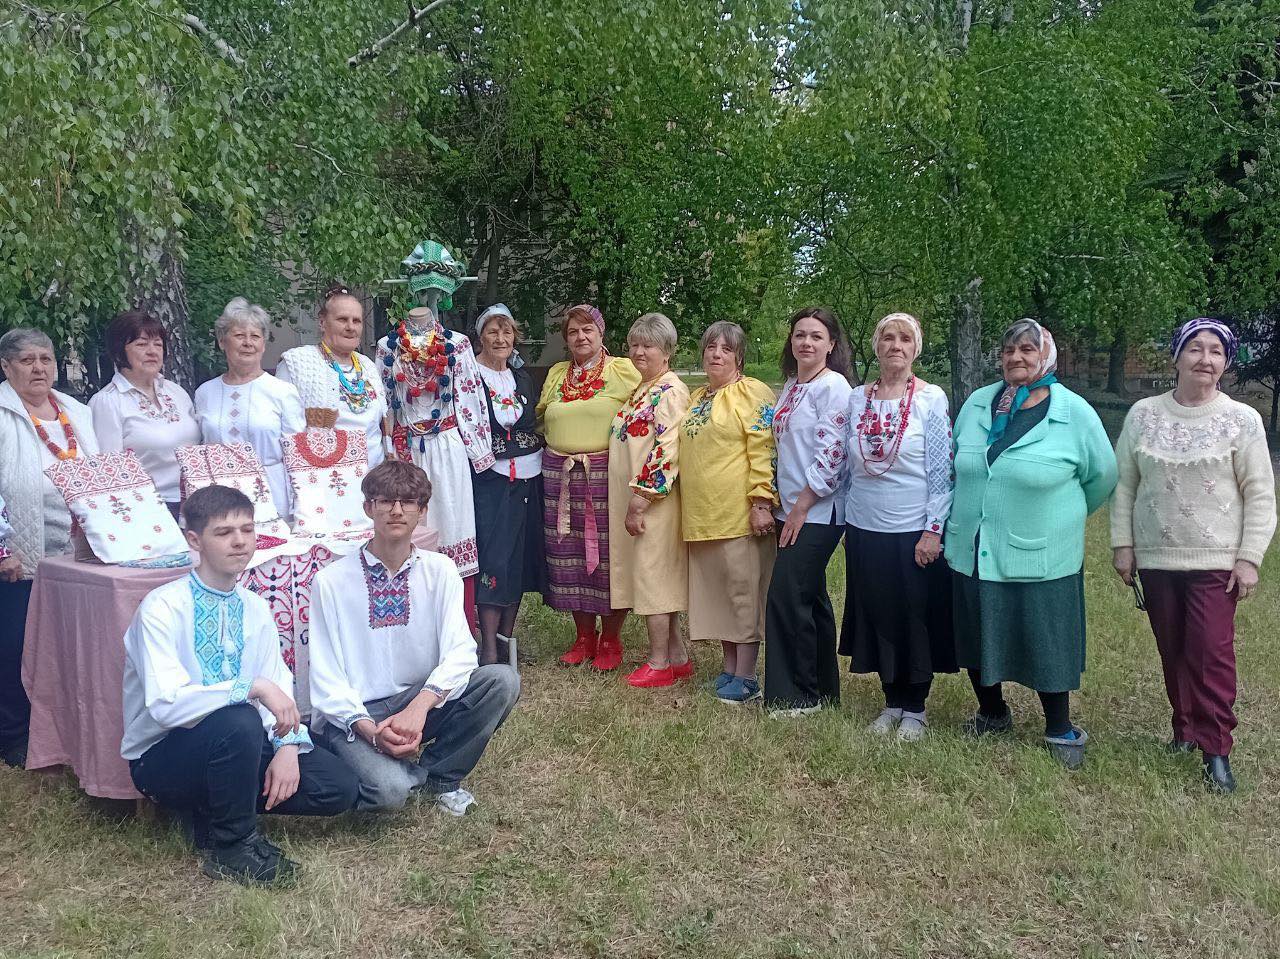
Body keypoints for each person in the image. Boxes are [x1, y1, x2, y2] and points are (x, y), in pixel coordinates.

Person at [123, 486, 359, 886]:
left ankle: (211, 810)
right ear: (194, 540)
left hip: (239, 746)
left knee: (337, 787)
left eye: (247, 530)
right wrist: (250, 687)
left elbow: (276, 683)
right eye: (224, 532)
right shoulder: (161, 608)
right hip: (164, 758)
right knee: (238, 718)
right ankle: (232, 847)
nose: (239, 541)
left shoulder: (254, 606)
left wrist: (287, 747)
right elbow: (166, 706)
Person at [1111, 318, 1276, 793]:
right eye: (1196, 349)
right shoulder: (1143, 414)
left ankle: (1216, 749)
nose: (1205, 359)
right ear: (1177, 356)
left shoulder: (1242, 420)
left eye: (1216, 352)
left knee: (1210, 654)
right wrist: (1123, 545)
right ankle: (1183, 729)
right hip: (1157, 558)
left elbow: (1260, 494)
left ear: (1225, 363)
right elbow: (1124, 485)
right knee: (1173, 648)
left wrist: (1249, 558)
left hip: (1216, 562)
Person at [947, 319, 1117, 769]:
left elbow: (1102, 476)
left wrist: (1061, 517)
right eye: (1009, 350)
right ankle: (992, 712)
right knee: (978, 630)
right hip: (973, 543)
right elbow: (957, 461)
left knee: (1046, 638)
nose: (1016, 357)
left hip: (1043, 549)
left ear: (1046, 356)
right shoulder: (979, 403)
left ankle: (1059, 727)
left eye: (1027, 349)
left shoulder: (1073, 411)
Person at [308, 460, 520, 814]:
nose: (396, 511)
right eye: (385, 501)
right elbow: (326, 676)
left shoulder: (441, 570)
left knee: (502, 680)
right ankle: (377, 765)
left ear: (422, 512)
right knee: (389, 793)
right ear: (368, 508)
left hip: (418, 699)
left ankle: (441, 775)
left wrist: (418, 708)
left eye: (407, 502)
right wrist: (372, 732)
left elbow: (460, 651)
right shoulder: (331, 581)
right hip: (359, 713)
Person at [839, 313, 955, 741]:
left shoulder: (930, 398)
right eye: (888, 338)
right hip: (864, 525)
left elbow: (941, 470)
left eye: (905, 339)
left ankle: (916, 708)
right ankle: (891, 701)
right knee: (878, 613)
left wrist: (933, 529)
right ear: (877, 346)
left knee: (913, 616)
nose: (896, 345)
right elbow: (847, 466)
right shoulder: (857, 399)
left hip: (912, 529)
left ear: (915, 348)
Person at [0, 328, 100, 766]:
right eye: (27, 360)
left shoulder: (77, 411)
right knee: (15, 646)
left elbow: (98, 471)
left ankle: (63, 731)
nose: (38, 368)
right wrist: (1, 548)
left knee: (64, 647)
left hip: (76, 554)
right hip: (21, 554)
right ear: (6, 367)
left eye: (45, 359)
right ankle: (13, 735)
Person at [536, 304, 642, 670]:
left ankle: (610, 638)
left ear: (601, 333)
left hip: (605, 473)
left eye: (587, 330)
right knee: (568, 555)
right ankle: (583, 636)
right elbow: (541, 417)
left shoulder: (623, 370)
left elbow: (646, 409)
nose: (580, 337)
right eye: (573, 332)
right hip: (560, 474)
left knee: (608, 555)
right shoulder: (557, 374)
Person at [763, 307, 855, 717]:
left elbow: (832, 455)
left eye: (816, 336)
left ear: (831, 344)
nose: (806, 342)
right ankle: (823, 689)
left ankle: (798, 695)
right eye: (800, 335)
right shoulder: (791, 386)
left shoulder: (833, 387)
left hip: (817, 511)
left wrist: (800, 507)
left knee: (787, 596)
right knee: (811, 597)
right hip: (789, 508)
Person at [679, 322, 777, 703]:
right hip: (703, 515)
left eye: (726, 349)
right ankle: (729, 669)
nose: (716, 354)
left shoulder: (752, 393)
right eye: (710, 347)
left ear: (740, 357)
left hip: (740, 515)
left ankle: (748, 676)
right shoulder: (697, 397)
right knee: (719, 596)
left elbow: (763, 448)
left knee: (742, 595)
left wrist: (761, 501)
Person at [608, 313, 692, 688]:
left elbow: (667, 449)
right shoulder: (643, 388)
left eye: (649, 346)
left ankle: (659, 663)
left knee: (654, 576)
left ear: (667, 351)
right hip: (636, 500)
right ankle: (677, 657)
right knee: (651, 574)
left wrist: (641, 498)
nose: (639, 352)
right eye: (635, 345)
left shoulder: (670, 392)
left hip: (654, 502)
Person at [471, 304, 545, 665]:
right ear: (481, 337)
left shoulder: (522, 378)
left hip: (529, 477)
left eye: (507, 331)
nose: (500, 339)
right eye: (493, 331)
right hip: (491, 479)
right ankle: (488, 646)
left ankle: (507, 640)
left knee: (518, 557)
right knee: (494, 556)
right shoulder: (470, 377)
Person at [194, 297, 306, 520]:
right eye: (239, 335)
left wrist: (302, 511)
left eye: (255, 336)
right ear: (222, 342)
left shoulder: (282, 392)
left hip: (272, 495)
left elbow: (297, 457)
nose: (248, 343)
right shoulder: (204, 393)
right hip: (219, 498)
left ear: (263, 345)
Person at [89, 310, 200, 515]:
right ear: (119, 352)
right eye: (141, 344)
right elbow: (109, 471)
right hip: (147, 509)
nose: (152, 351)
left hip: (196, 505)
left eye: (158, 344)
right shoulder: (108, 402)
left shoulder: (176, 392)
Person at [276, 284, 387, 466]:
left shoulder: (368, 365)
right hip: (325, 476)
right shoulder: (296, 363)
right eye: (342, 319)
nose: (351, 327)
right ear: (322, 322)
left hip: (376, 476)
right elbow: (283, 430)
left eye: (357, 321)